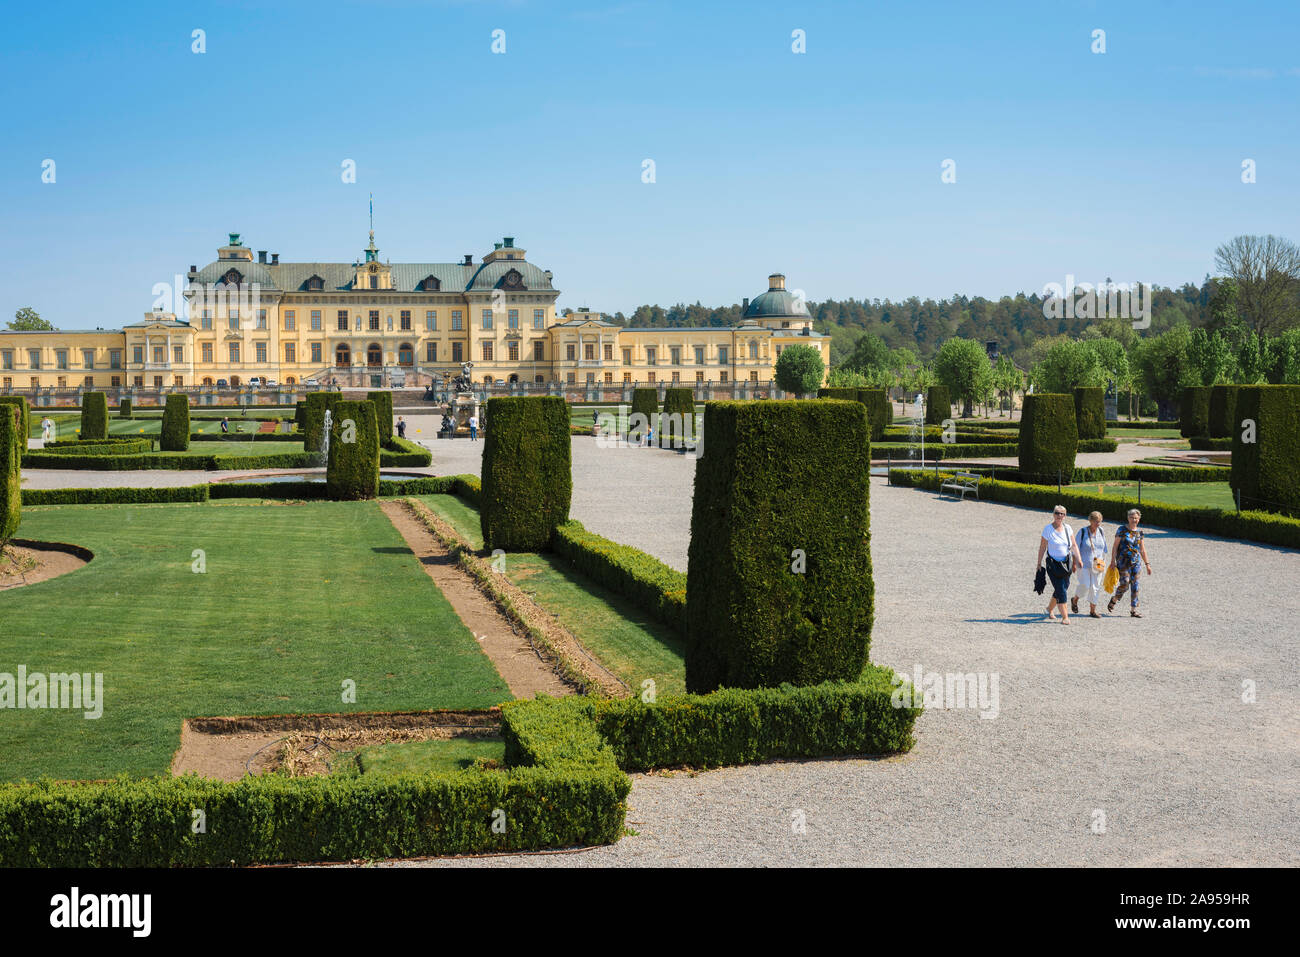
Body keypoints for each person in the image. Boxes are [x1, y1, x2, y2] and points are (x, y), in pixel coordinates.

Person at [1036, 505, 1082, 623]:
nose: (1059, 515)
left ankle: (1049, 609)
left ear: (1065, 516)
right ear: (1053, 514)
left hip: (1066, 564)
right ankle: (1065, 617)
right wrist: (1039, 563)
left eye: (1062, 514)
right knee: (1061, 590)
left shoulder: (1068, 528)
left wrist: (1078, 559)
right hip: (1053, 565)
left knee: (1063, 587)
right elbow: (1042, 547)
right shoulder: (1048, 529)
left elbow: (1074, 545)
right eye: (1057, 513)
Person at [1108, 508, 1152, 617]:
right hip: (1123, 562)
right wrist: (1112, 561)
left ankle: (1133, 610)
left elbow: (1142, 549)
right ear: (1128, 518)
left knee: (1135, 586)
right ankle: (1114, 599)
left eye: (1136, 518)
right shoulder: (1122, 530)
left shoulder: (1139, 533)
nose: (1134, 520)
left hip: (1136, 563)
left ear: (1139, 519)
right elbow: (1115, 546)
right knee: (1125, 584)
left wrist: (1147, 564)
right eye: (1132, 517)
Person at [1071, 511, 1107, 618]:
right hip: (1084, 564)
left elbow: (1104, 548)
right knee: (1085, 585)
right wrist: (1074, 563)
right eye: (1096, 521)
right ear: (1090, 521)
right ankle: (1075, 599)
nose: (1098, 524)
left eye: (1100, 522)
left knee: (1095, 587)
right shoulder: (1082, 532)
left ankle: (1092, 610)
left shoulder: (1101, 531)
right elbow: (1074, 548)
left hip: (1098, 564)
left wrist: (1104, 562)